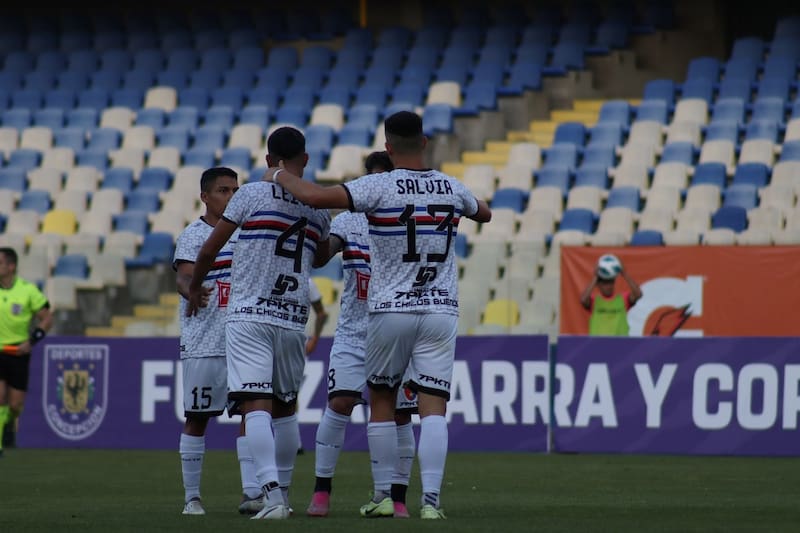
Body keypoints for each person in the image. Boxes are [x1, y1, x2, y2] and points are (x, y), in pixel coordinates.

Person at [266, 112, 492, 520]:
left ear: (388, 148)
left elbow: (316, 197)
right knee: (433, 407)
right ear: (424, 142)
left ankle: (385, 495)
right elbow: (485, 213)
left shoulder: (378, 185)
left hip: (391, 309)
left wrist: (280, 176)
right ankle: (431, 503)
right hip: (441, 308)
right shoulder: (450, 185)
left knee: (383, 399)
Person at [186, 126, 331, 521]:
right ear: (304, 160)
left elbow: (210, 249)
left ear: (269, 161)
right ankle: (281, 492)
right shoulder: (318, 210)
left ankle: (270, 496)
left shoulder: (249, 194)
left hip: (250, 314)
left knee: (256, 405)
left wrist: (195, 286)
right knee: (285, 408)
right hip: (291, 318)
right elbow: (319, 257)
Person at [306, 150, 419, 519]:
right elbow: (323, 256)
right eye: (371, 178)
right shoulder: (350, 221)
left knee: (400, 414)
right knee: (339, 403)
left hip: (397, 332)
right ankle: (322, 491)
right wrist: (318, 223)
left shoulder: (409, 219)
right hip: (354, 333)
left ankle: (394, 497)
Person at [173, 167, 264, 515]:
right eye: (223, 190)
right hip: (204, 341)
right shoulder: (194, 236)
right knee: (197, 417)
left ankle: (251, 491)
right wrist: (191, 292)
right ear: (206, 197)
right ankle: (192, 497)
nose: (231, 195)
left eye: (235, 190)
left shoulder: (245, 233)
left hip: (244, 338)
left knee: (250, 411)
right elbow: (183, 276)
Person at [0, 247, 53, 457]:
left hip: (18, 353)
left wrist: (31, 342)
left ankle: (10, 422)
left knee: (15, 404)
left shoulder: (27, 290)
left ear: (11, 266)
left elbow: (47, 318)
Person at [579, 255, 643, 336]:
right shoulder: (594, 301)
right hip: (598, 346)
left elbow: (638, 294)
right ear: (598, 285)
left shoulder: (623, 299)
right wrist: (595, 277)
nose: (609, 286)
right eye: (605, 283)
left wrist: (624, 274)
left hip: (620, 345)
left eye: (611, 282)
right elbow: (583, 300)